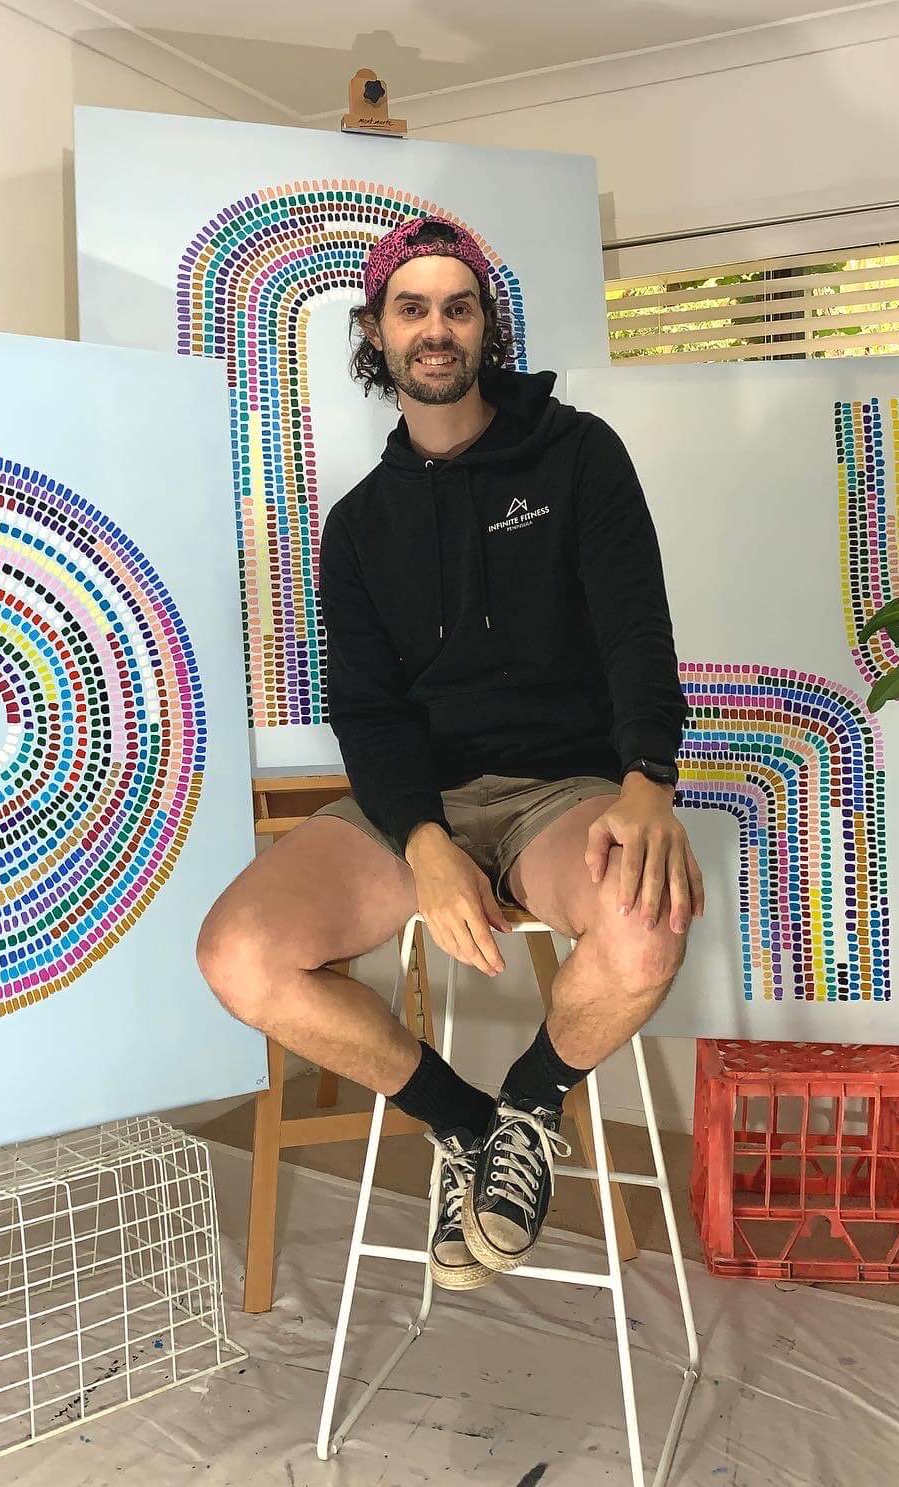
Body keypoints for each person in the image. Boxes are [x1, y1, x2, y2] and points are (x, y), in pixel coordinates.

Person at [198, 216, 704, 1292]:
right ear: (376, 335)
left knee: (647, 926)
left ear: (485, 327)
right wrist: (423, 839)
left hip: (563, 790)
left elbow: (635, 631)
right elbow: (367, 711)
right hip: (411, 799)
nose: (437, 328)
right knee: (240, 958)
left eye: (457, 306)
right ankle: (462, 1121)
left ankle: (528, 1101)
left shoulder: (576, 454)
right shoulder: (360, 525)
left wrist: (649, 781)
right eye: (412, 308)